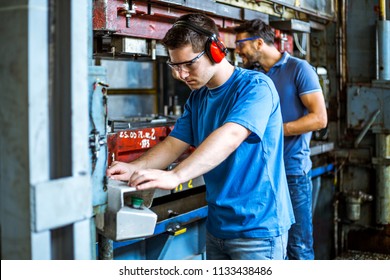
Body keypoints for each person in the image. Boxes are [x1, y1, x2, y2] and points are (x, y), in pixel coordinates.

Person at [107, 13, 294, 260]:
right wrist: (134, 168)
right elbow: (174, 144)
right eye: (175, 66)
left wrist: (175, 175)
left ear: (215, 51)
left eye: (189, 64)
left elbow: (232, 133)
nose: (181, 75)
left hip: (258, 229)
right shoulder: (198, 98)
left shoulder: (255, 87)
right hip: (217, 226)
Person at [234, 19, 328, 260]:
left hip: (291, 173)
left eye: (240, 44)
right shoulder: (251, 76)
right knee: (268, 248)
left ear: (258, 43)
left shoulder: (299, 69)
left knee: (298, 247)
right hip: (259, 176)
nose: (236, 50)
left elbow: (319, 119)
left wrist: (275, 129)